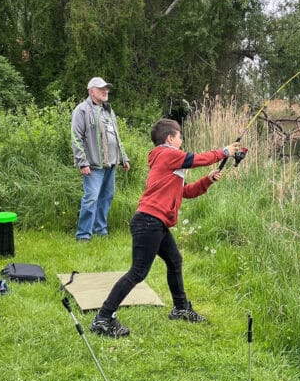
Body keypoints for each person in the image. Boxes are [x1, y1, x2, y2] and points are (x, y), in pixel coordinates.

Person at [89, 118, 239, 337]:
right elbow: (197, 159)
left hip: (156, 223)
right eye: (180, 136)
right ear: (170, 139)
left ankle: (180, 308)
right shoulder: (167, 154)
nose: (182, 140)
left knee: (175, 260)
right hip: (149, 221)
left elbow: (185, 192)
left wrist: (208, 180)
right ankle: (103, 318)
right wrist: (224, 151)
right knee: (138, 272)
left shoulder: (170, 164)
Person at [71, 77, 130, 241]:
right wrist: (82, 162)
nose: (105, 91)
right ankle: (83, 235)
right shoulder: (81, 110)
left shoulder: (109, 111)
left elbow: (117, 137)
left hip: (110, 163)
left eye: (106, 89)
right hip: (93, 165)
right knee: (91, 198)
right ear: (91, 91)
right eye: (101, 89)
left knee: (107, 197)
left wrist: (123, 158)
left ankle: (100, 230)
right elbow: (76, 138)